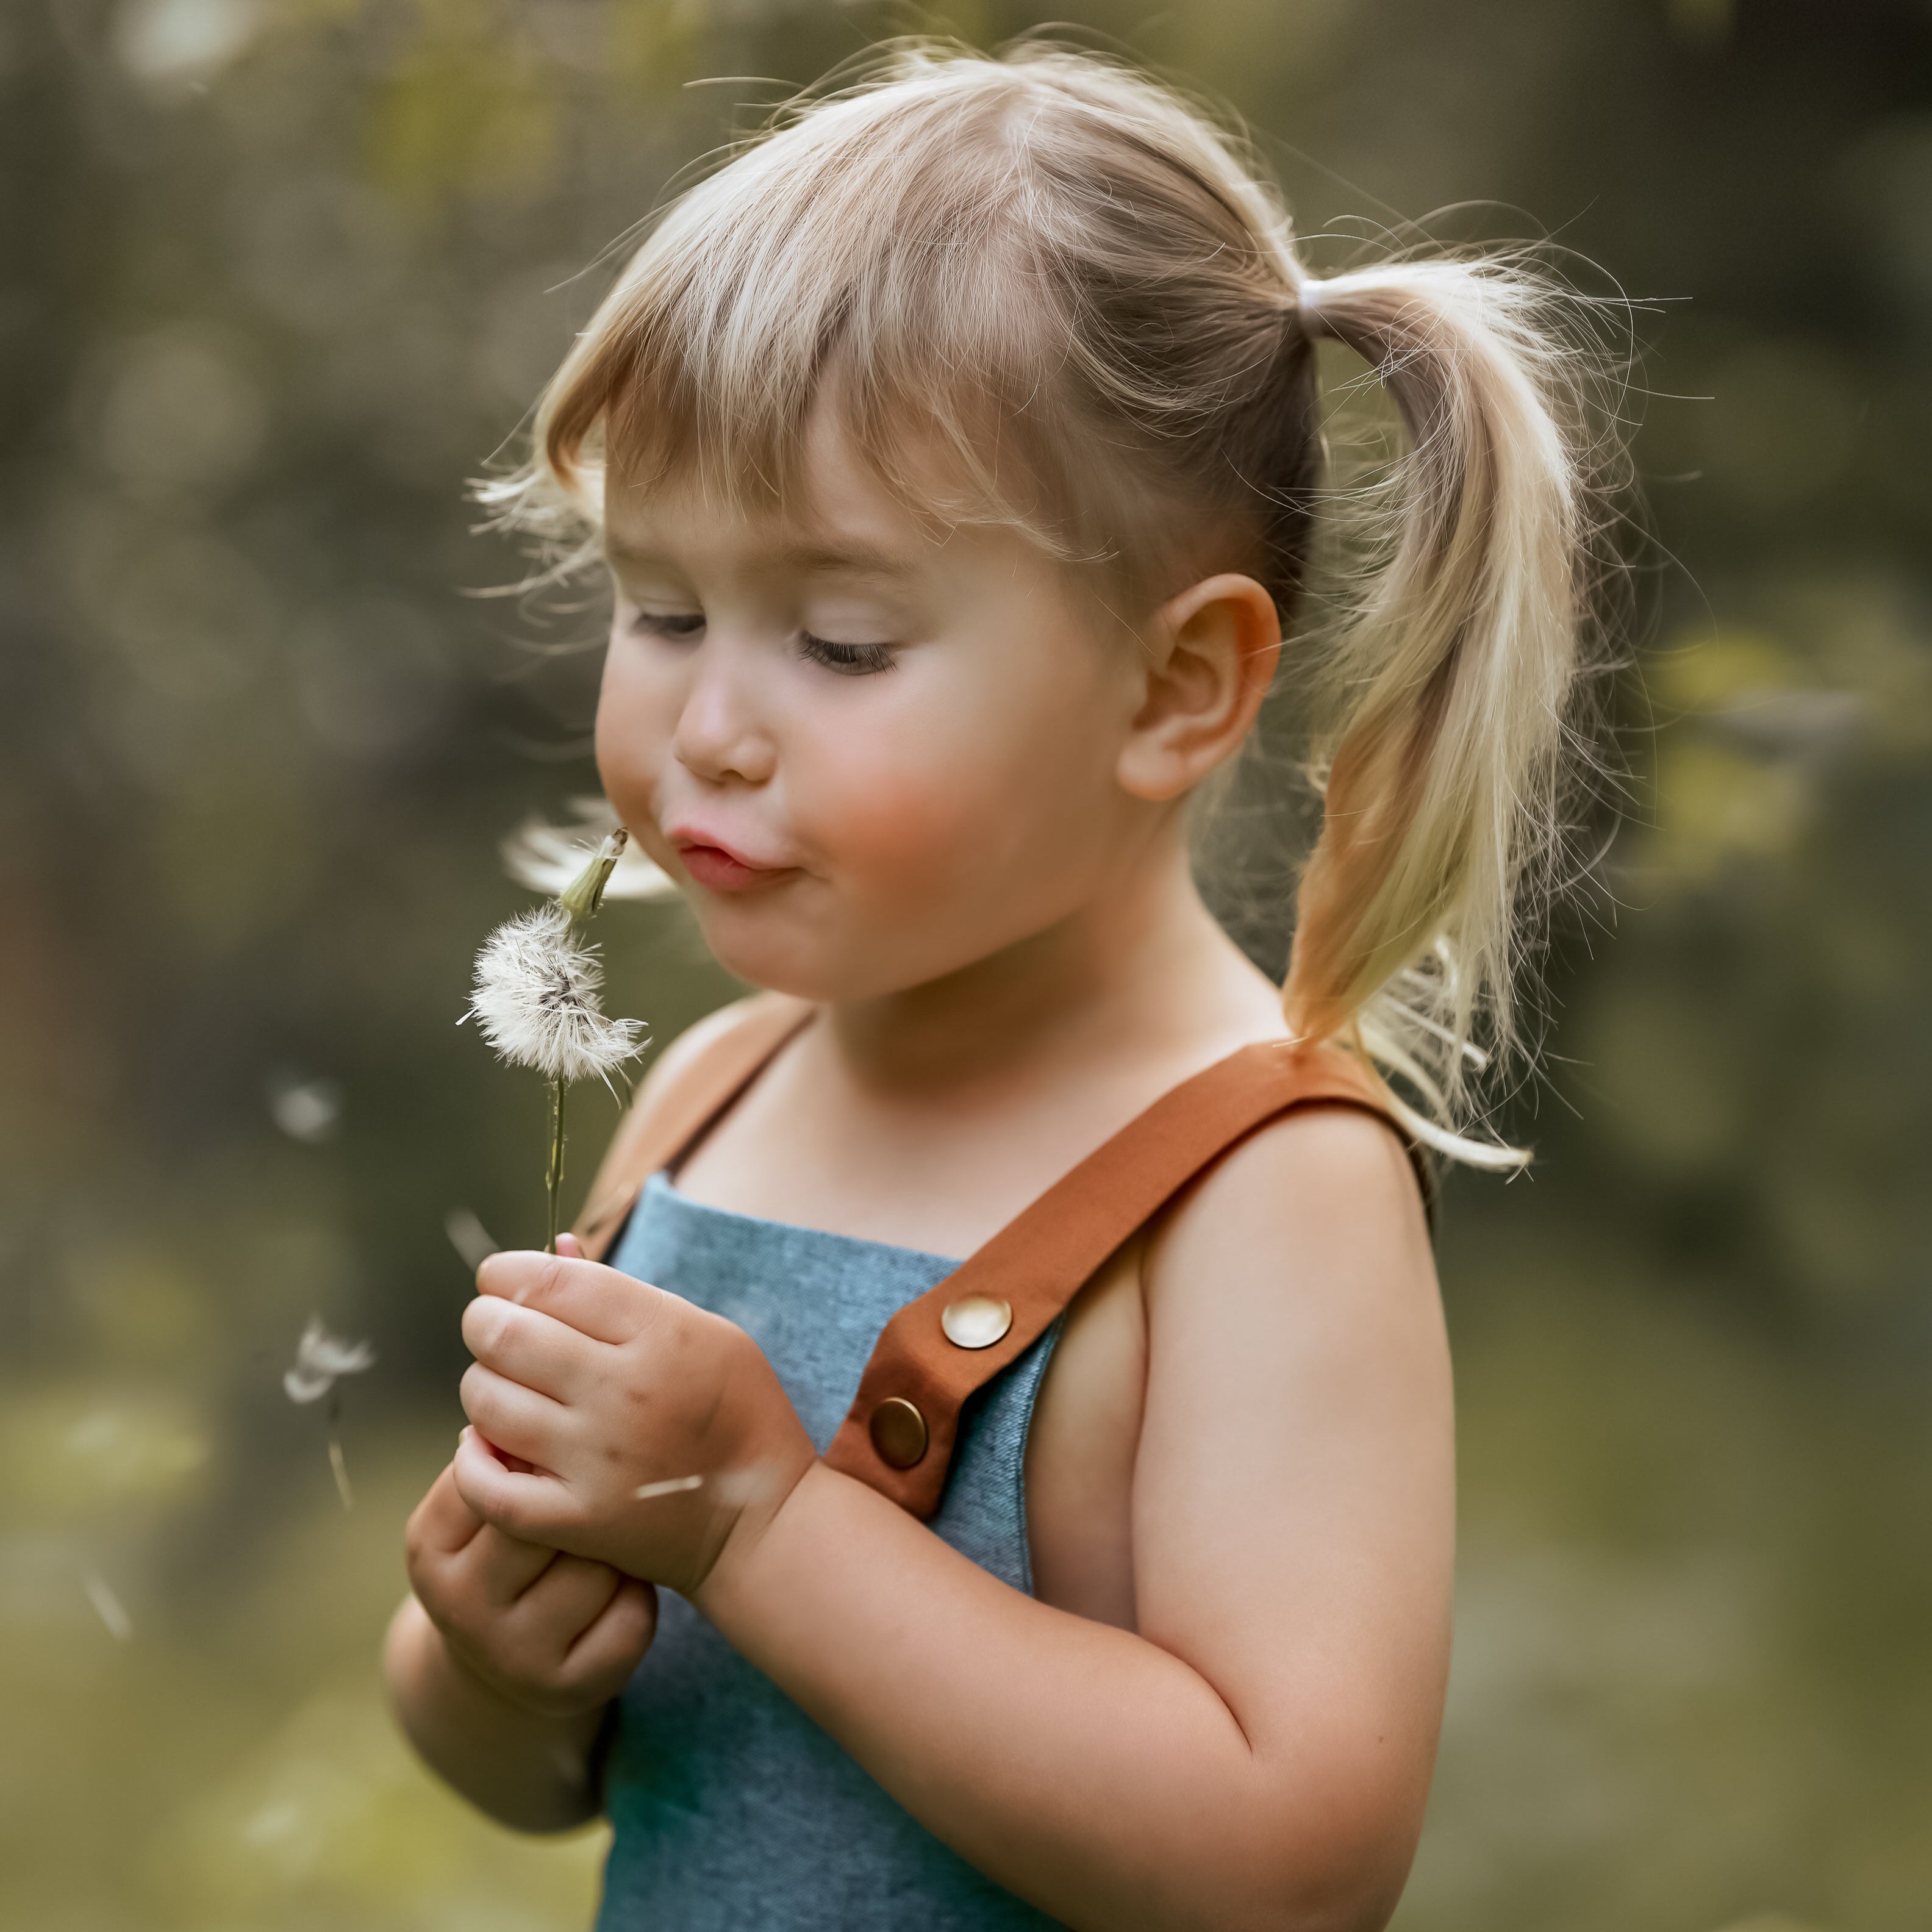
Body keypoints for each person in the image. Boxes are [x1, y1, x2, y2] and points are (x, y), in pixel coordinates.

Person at [384, 40, 1617, 1931]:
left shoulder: (1257, 1188)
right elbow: (549, 1783)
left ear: (1174, 687)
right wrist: (489, 1661)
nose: (709, 728)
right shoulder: (714, 1092)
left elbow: (1292, 1868)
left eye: (844, 640)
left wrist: (762, 1525)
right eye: (662, 607)